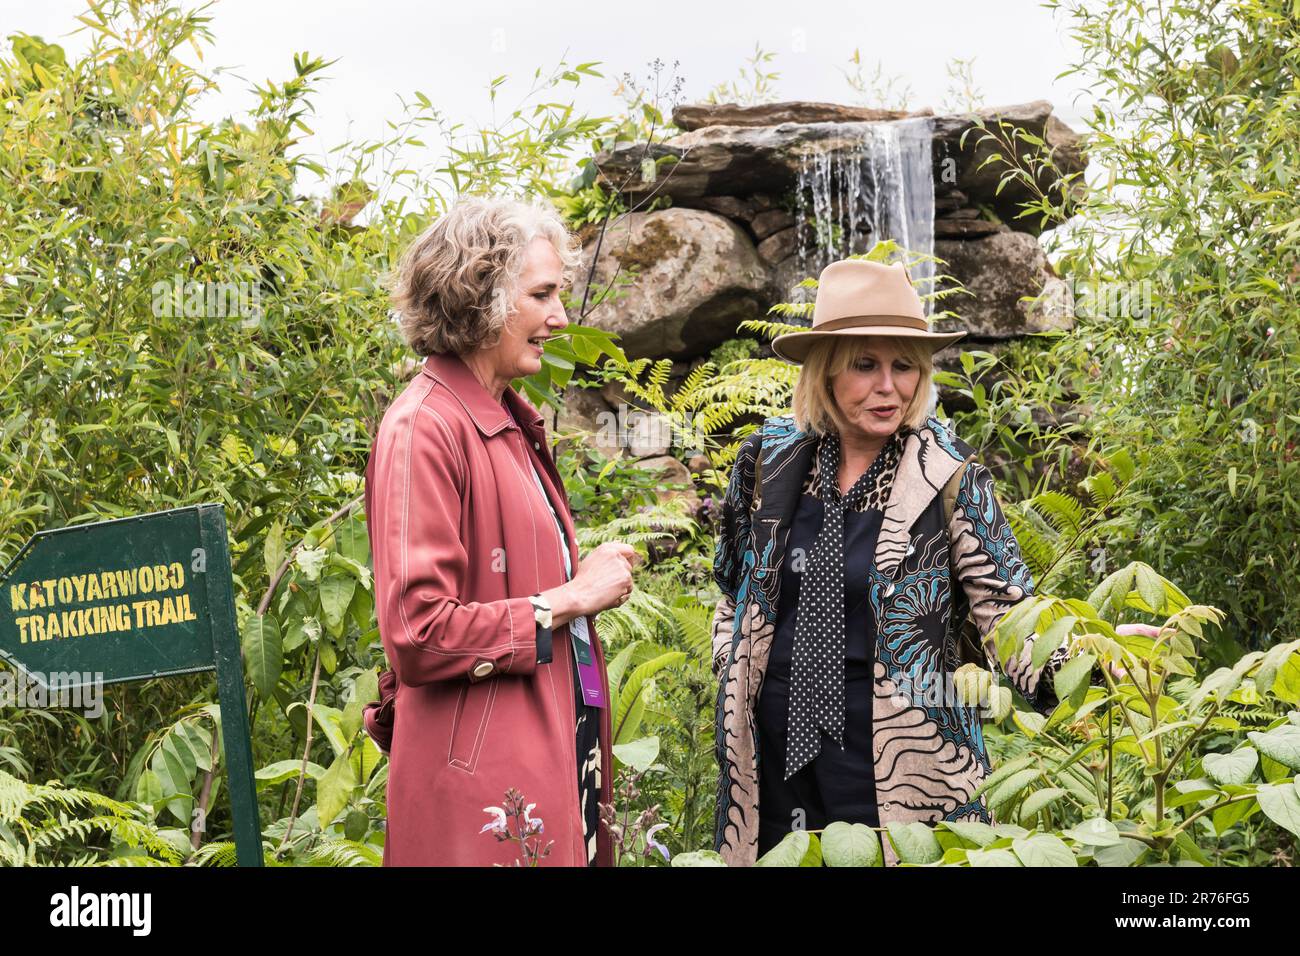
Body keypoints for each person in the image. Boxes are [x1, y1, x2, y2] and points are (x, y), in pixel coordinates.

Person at [711, 257, 1082, 866]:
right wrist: (734, 667)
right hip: (771, 752)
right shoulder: (766, 459)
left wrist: (1087, 660)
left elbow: (1006, 610)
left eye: (904, 365)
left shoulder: (949, 472)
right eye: (865, 364)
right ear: (825, 371)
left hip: (900, 759)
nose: (889, 386)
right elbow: (732, 583)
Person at [363, 196, 636, 866]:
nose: (560, 318)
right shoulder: (424, 426)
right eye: (541, 295)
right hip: (482, 794)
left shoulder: (507, 421)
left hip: (544, 762)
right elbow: (417, 631)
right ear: (479, 298)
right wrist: (572, 597)